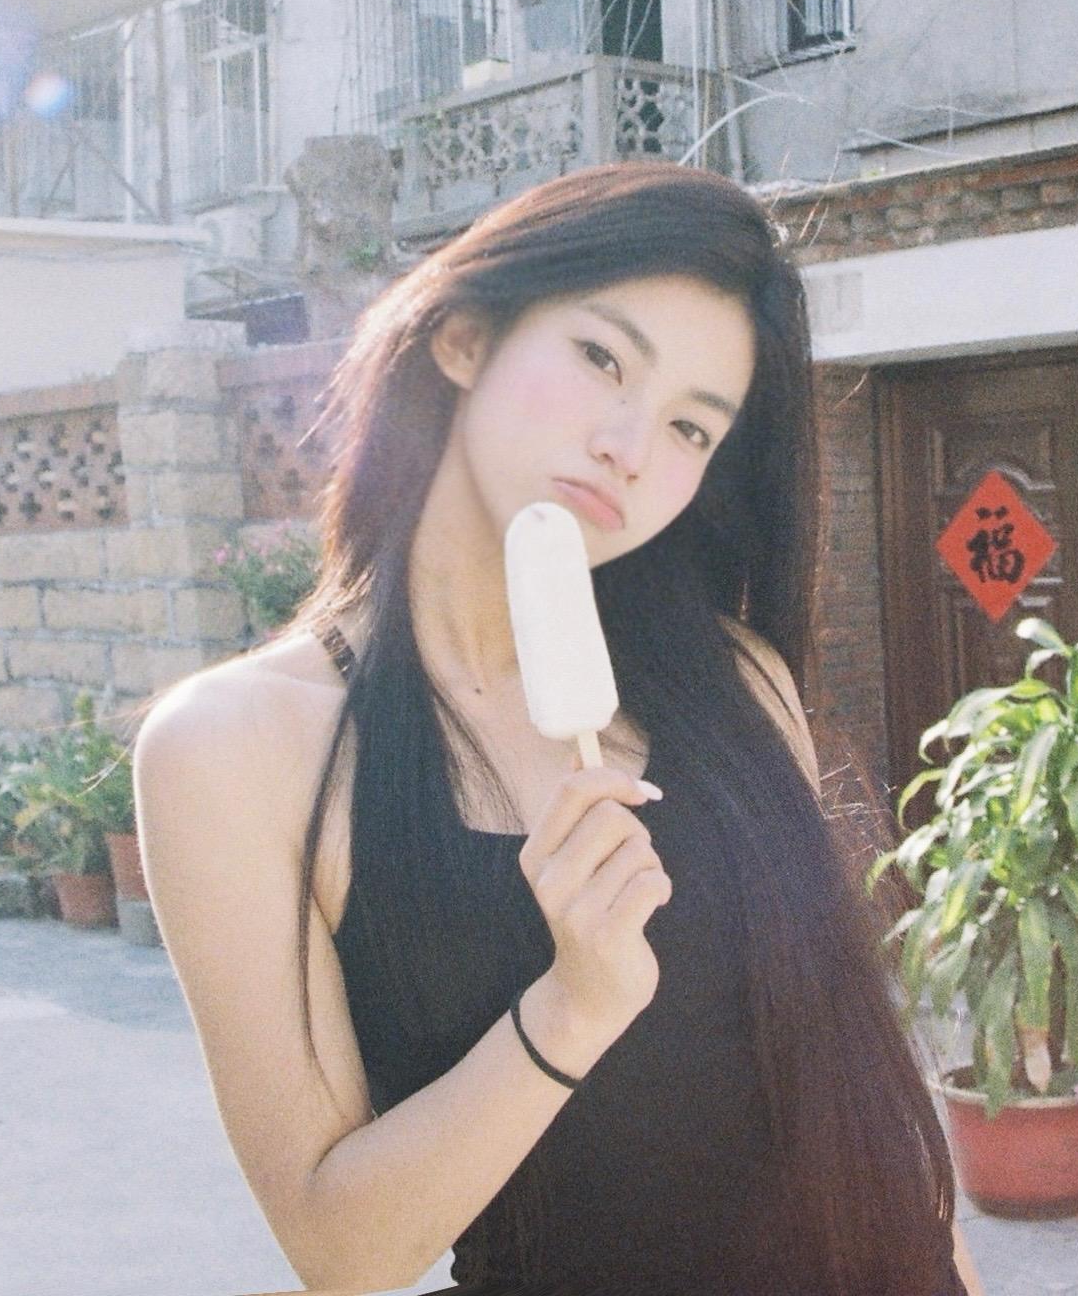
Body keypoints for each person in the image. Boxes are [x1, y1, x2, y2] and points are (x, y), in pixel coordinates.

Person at [132, 162, 980, 1296]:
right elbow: (340, 1251)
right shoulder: (238, 749)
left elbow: (849, 1099)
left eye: (690, 427)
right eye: (601, 359)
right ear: (465, 337)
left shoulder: (738, 683)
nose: (630, 445)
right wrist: (570, 1007)